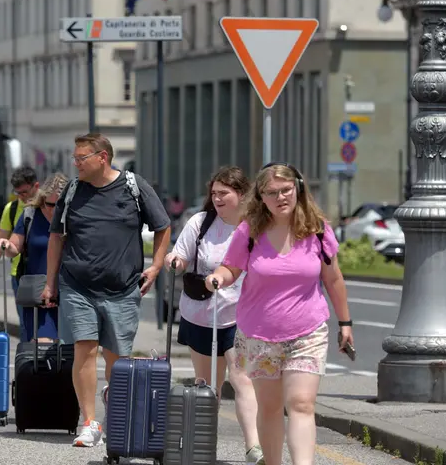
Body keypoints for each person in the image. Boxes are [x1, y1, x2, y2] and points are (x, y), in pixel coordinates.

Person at [205, 163, 354, 465]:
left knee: (301, 403)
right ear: (260, 197)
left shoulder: (317, 229)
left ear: (298, 188)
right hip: (259, 333)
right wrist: (217, 277)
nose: (281, 197)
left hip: (308, 330)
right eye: (271, 193)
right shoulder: (250, 230)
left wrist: (345, 322)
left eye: (286, 190)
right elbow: (232, 267)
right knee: (270, 407)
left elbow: (333, 279)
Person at [44, 133, 171, 448]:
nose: (76, 164)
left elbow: (163, 226)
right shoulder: (73, 191)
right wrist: (50, 282)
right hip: (77, 286)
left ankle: (115, 417)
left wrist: (155, 266)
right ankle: (89, 422)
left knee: (118, 360)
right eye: (75, 158)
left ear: (102, 157)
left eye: (81, 158)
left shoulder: (134, 187)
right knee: (84, 350)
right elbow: (56, 236)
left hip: (122, 288)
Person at [164, 167, 264, 464]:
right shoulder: (201, 222)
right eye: (214, 193)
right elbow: (181, 256)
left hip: (239, 316)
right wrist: (175, 260)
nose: (218, 199)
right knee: (207, 385)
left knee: (241, 377)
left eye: (224, 193)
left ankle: (253, 447)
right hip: (201, 314)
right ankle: (202, 444)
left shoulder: (253, 227)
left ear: (242, 195)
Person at [0, 173, 69, 343]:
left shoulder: (73, 216)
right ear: (42, 199)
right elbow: (15, 247)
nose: (55, 210)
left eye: (60, 205)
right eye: (50, 204)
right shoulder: (30, 215)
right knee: (42, 345)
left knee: (68, 351)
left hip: (69, 292)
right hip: (38, 292)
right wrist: (5, 245)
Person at [0, 166, 39, 340]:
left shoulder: (47, 205)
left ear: (36, 186)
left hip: (44, 272)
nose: (22, 197)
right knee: (26, 325)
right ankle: (28, 362)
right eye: (18, 193)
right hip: (19, 274)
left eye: (25, 192)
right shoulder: (12, 209)